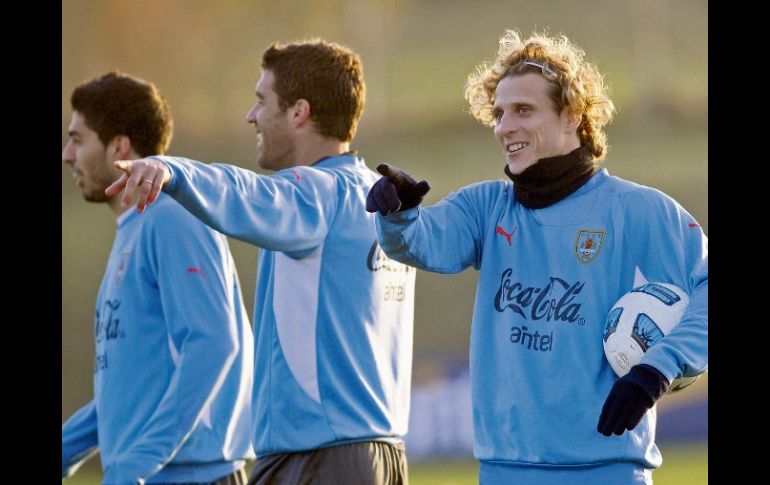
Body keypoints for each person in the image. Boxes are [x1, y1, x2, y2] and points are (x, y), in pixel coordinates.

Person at [366, 30, 707, 484]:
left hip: (606, 471)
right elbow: (423, 241)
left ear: (572, 115)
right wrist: (400, 213)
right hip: (504, 470)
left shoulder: (638, 210)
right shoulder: (486, 208)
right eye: (499, 113)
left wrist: (657, 368)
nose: (506, 126)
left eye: (523, 110)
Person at [104, 39, 415, 485]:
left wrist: (173, 172)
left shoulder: (316, 192)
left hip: (319, 458)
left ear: (298, 112)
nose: (251, 116)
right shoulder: (378, 199)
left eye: (260, 101)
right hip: (380, 456)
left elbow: (245, 192)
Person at [61, 72, 254, 485]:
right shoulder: (135, 227)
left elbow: (215, 342)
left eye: (78, 140)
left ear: (119, 146)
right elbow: (127, 392)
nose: (67, 155)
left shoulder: (172, 217)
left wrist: (136, 463)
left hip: (192, 476)